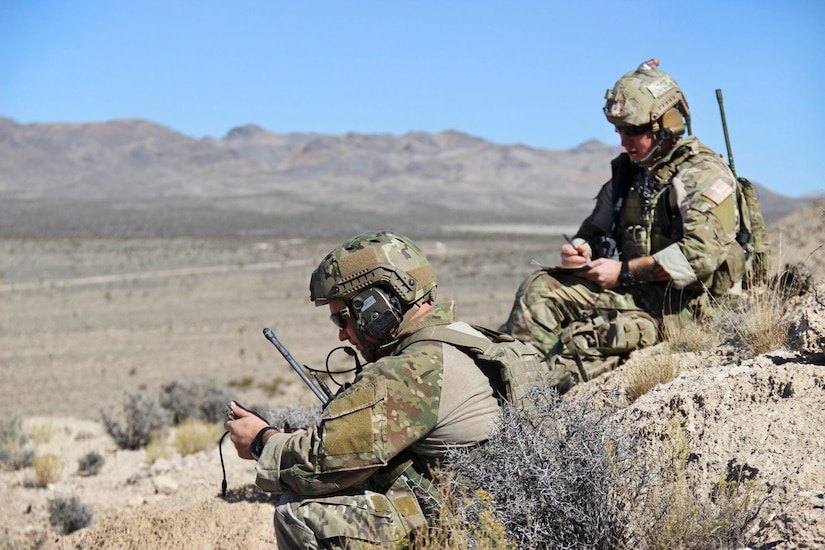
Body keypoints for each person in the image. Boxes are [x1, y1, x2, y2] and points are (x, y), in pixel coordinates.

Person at [225, 230, 541, 549]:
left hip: (472, 528)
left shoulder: (412, 369)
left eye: (341, 320)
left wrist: (261, 442)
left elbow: (319, 466)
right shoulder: (473, 340)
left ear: (374, 308)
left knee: (300, 511)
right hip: (512, 513)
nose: (343, 336)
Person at [500, 58, 746, 392]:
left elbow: (701, 257)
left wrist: (624, 272)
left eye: (633, 131)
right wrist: (582, 247)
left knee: (568, 346)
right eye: (618, 131)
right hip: (638, 294)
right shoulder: (632, 172)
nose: (623, 141)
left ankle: (520, 402)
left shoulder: (701, 174)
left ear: (665, 124)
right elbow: (595, 227)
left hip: (683, 309)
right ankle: (512, 390)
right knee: (541, 286)